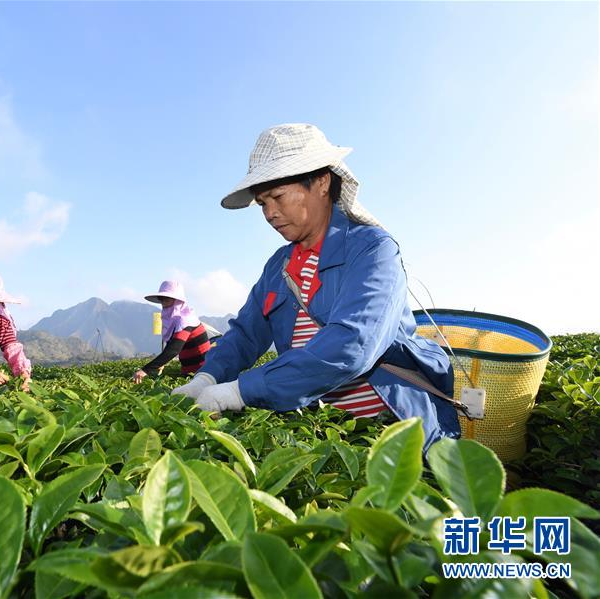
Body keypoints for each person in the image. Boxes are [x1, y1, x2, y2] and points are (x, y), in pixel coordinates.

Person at [172, 124, 460, 448]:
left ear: (322, 182)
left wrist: (240, 390)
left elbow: (352, 344)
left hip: (394, 430)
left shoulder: (372, 250)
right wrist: (206, 378)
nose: (269, 213)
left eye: (277, 197)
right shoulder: (278, 267)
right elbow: (245, 334)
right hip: (320, 434)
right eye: (263, 203)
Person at [132, 280, 211, 383]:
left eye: (167, 300)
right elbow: (171, 345)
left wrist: (145, 370)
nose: (164, 304)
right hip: (190, 373)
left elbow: (174, 349)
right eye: (162, 300)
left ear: (177, 301)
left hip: (203, 373)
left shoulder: (185, 320)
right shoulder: (175, 321)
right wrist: (161, 363)